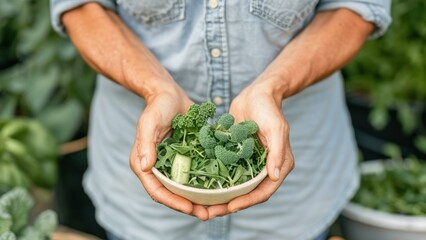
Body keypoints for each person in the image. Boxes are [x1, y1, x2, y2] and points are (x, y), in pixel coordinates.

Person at [50, 1, 391, 239]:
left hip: (296, 201)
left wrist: (273, 88)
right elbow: (82, 6)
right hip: (141, 212)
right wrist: (155, 89)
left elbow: (355, 7)